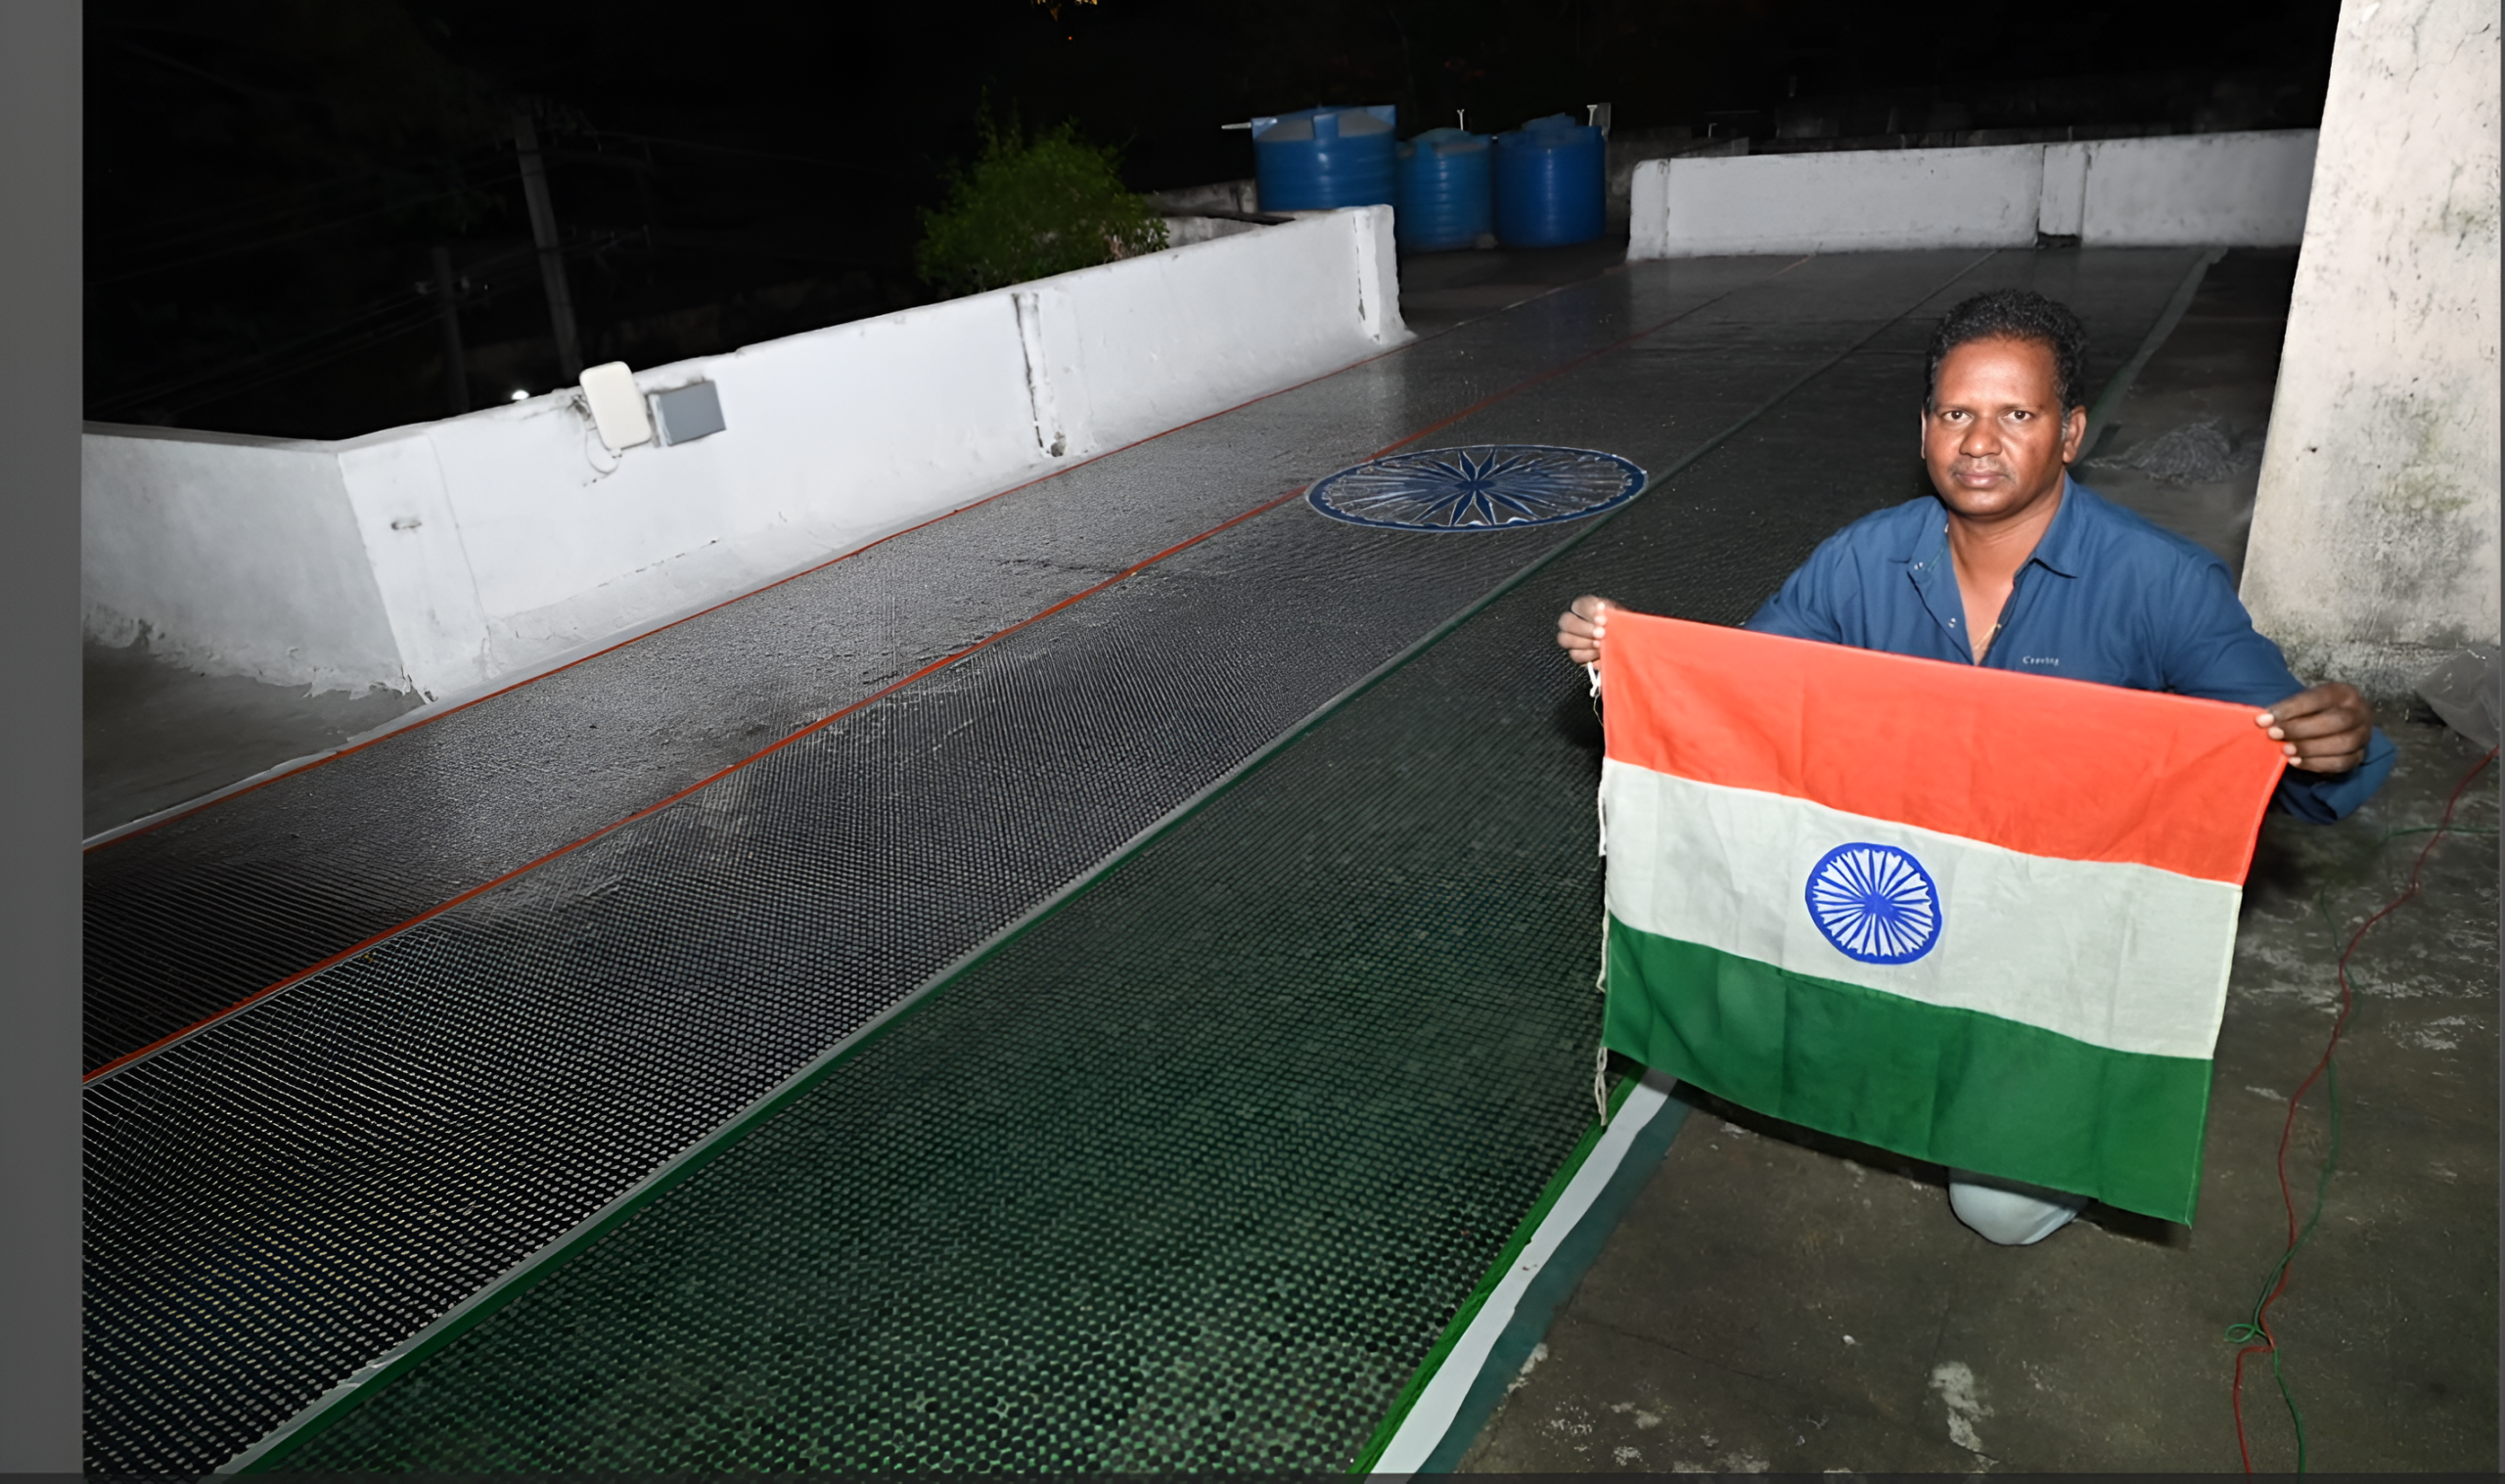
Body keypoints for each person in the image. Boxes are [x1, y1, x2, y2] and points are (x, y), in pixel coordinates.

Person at [1555, 288, 2392, 1245]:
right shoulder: (1862, 560)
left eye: (2016, 414)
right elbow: (1743, 703)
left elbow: (2298, 769)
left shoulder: (2159, 582)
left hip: (2048, 940)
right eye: (1956, 413)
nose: (1980, 442)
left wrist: (2333, 740)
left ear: (2069, 432)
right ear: (1923, 430)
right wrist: (1632, 661)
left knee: (1994, 1206)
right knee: (1757, 1016)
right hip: (1893, 894)